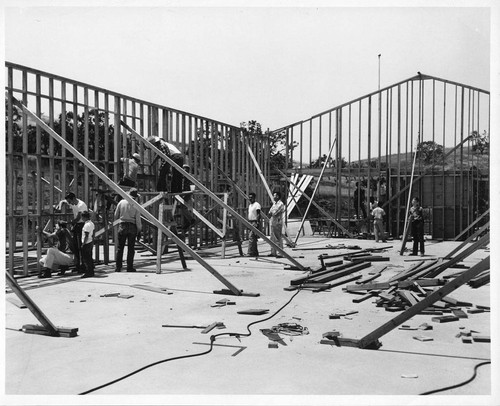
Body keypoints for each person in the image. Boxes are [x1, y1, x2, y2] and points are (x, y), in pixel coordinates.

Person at [56, 192, 88, 273]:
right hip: (76, 225)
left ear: (74, 199)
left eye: (70, 201)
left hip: (81, 225)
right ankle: (78, 265)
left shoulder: (81, 205)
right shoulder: (73, 203)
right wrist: (60, 204)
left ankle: (83, 266)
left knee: (81, 246)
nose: (69, 204)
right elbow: (63, 201)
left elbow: (78, 218)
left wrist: (68, 223)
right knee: (75, 246)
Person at [114, 188, 142, 272]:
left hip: (122, 225)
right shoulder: (135, 205)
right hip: (132, 226)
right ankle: (129, 267)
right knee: (131, 248)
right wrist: (139, 230)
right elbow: (138, 220)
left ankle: (118, 267)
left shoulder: (121, 202)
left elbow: (116, 215)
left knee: (120, 247)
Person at [268, 191, 285, 257]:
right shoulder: (274, 204)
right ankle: (273, 252)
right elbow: (270, 212)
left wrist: (271, 213)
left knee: (277, 237)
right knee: (272, 238)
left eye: (274, 195)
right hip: (273, 222)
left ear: (277, 196)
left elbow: (274, 213)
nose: (273, 197)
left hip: (277, 222)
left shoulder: (280, 204)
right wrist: (271, 213)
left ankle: (280, 253)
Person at [80, 211, 95, 278]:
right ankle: (91, 271)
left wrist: (83, 243)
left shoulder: (86, 225)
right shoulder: (91, 223)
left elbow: (86, 235)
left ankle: (88, 272)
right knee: (89, 257)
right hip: (90, 242)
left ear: (84, 217)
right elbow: (93, 233)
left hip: (86, 243)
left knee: (86, 258)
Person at [247, 192, 261, 257]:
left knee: (251, 237)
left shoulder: (257, 205)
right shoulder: (250, 205)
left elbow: (258, 214)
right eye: (249, 197)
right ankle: (255, 252)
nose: (250, 198)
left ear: (254, 198)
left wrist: (257, 222)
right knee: (253, 238)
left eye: (251, 197)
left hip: (254, 222)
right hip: (250, 222)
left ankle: (250, 252)